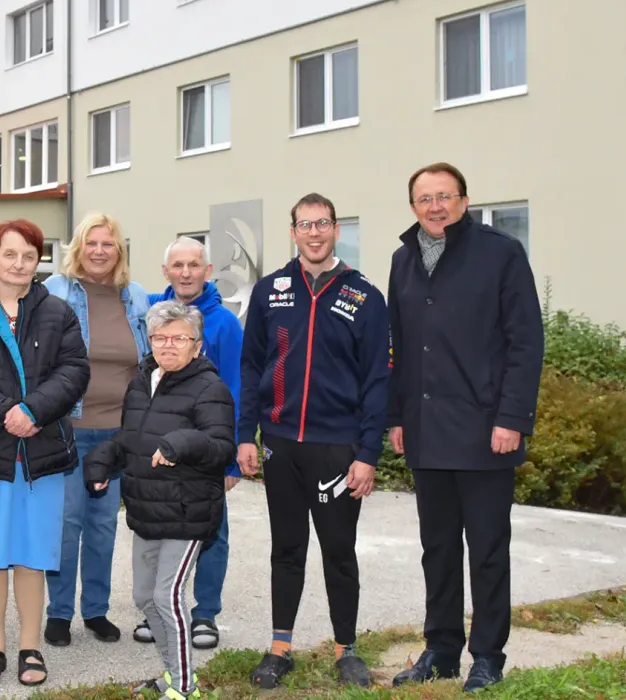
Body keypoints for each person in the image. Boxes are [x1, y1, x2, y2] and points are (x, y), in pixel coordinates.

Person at [387, 163, 544, 694]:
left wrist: (512, 418)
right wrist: (396, 416)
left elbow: (526, 342)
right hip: (426, 432)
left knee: (487, 548)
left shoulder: (500, 253)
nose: (434, 207)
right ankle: (442, 649)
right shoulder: (402, 261)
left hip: (485, 431)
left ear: (464, 200)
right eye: (424, 199)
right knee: (438, 547)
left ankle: (488, 656)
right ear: (413, 207)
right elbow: (401, 348)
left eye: (444, 196)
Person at [238, 193, 391, 689]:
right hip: (280, 444)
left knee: (338, 550)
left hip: (337, 447)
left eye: (322, 223)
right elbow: (250, 366)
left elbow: (377, 381)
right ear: (294, 232)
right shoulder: (270, 291)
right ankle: (281, 647)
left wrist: (367, 454)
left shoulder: (365, 295)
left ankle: (347, 649)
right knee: (286, 548)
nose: (314, 233)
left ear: (336, 229)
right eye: (305, 224)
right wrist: (246, 436)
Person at [0, 219, 90, 689]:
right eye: (10, 254)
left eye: (29, 255)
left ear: (38, 260)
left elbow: (74, 370)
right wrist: (8, 412)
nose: (20, 264)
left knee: (32, 551)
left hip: (42, 451)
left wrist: (34, 411)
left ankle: (30, 645)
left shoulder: (59, 312)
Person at [83, 300, 236, 700]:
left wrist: (178, 443)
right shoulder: (141, 383)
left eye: (179, 338)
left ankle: (185, 688)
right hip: (146, 508)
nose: (168, 346)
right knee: (144, 599)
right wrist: (102, 462)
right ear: (149, 342)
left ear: (197, 346)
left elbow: (221, 446)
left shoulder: (210, 388)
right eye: (160, 338)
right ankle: (172, 673)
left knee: (168, 598)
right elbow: (129, 440)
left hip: (189, 511)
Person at [42, 212, 151, 647]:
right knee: (68, 523)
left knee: (104, 525)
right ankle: (59, 612)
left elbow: (150, 358)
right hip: (68, 428)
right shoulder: (55, 291)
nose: (100, 251)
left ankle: (96, 611)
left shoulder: (137, 296)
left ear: (119, 250)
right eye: (92, 243)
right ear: (78, 247)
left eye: (108, 244)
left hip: (117, 433)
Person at [137, 236, 244, 650]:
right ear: (165, 271)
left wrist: (231, 458)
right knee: (159, 527)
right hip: (160, 445)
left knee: (211, 528)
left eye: (193, 265)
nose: (185, 272)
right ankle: (161, 610)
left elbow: (235, 387)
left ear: (208, 270)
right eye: (177, 265)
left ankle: (205, 614)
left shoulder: (225, 324)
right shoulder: (150, 313)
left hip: (206, 447)